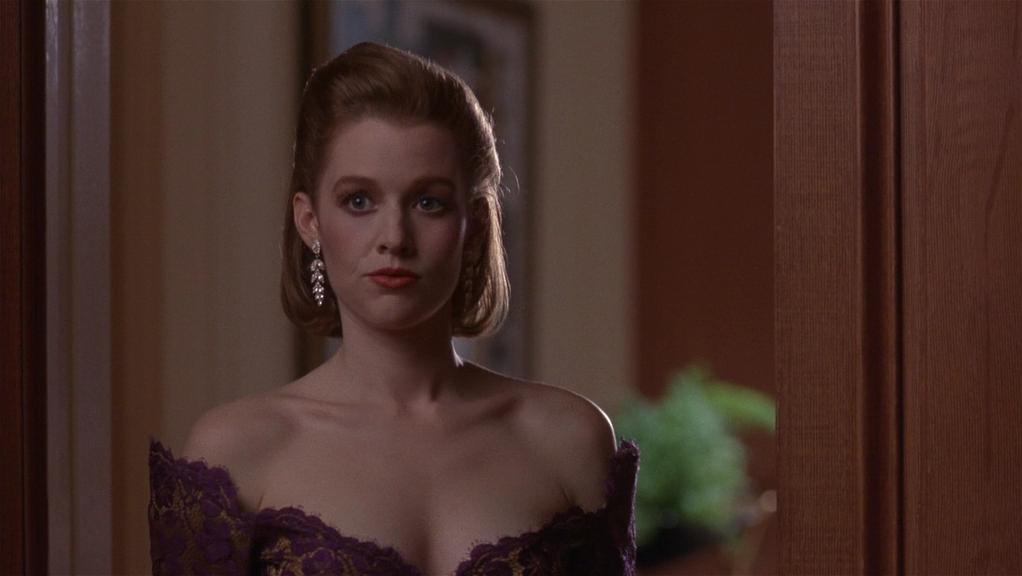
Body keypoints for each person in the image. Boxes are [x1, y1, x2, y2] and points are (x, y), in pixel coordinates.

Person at [148, 42, 639, 575]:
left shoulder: (568, 440)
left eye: (429, 202)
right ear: (309, 221)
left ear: (473, 225)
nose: (395, 238)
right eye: (359, 201)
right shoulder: (237, 451)